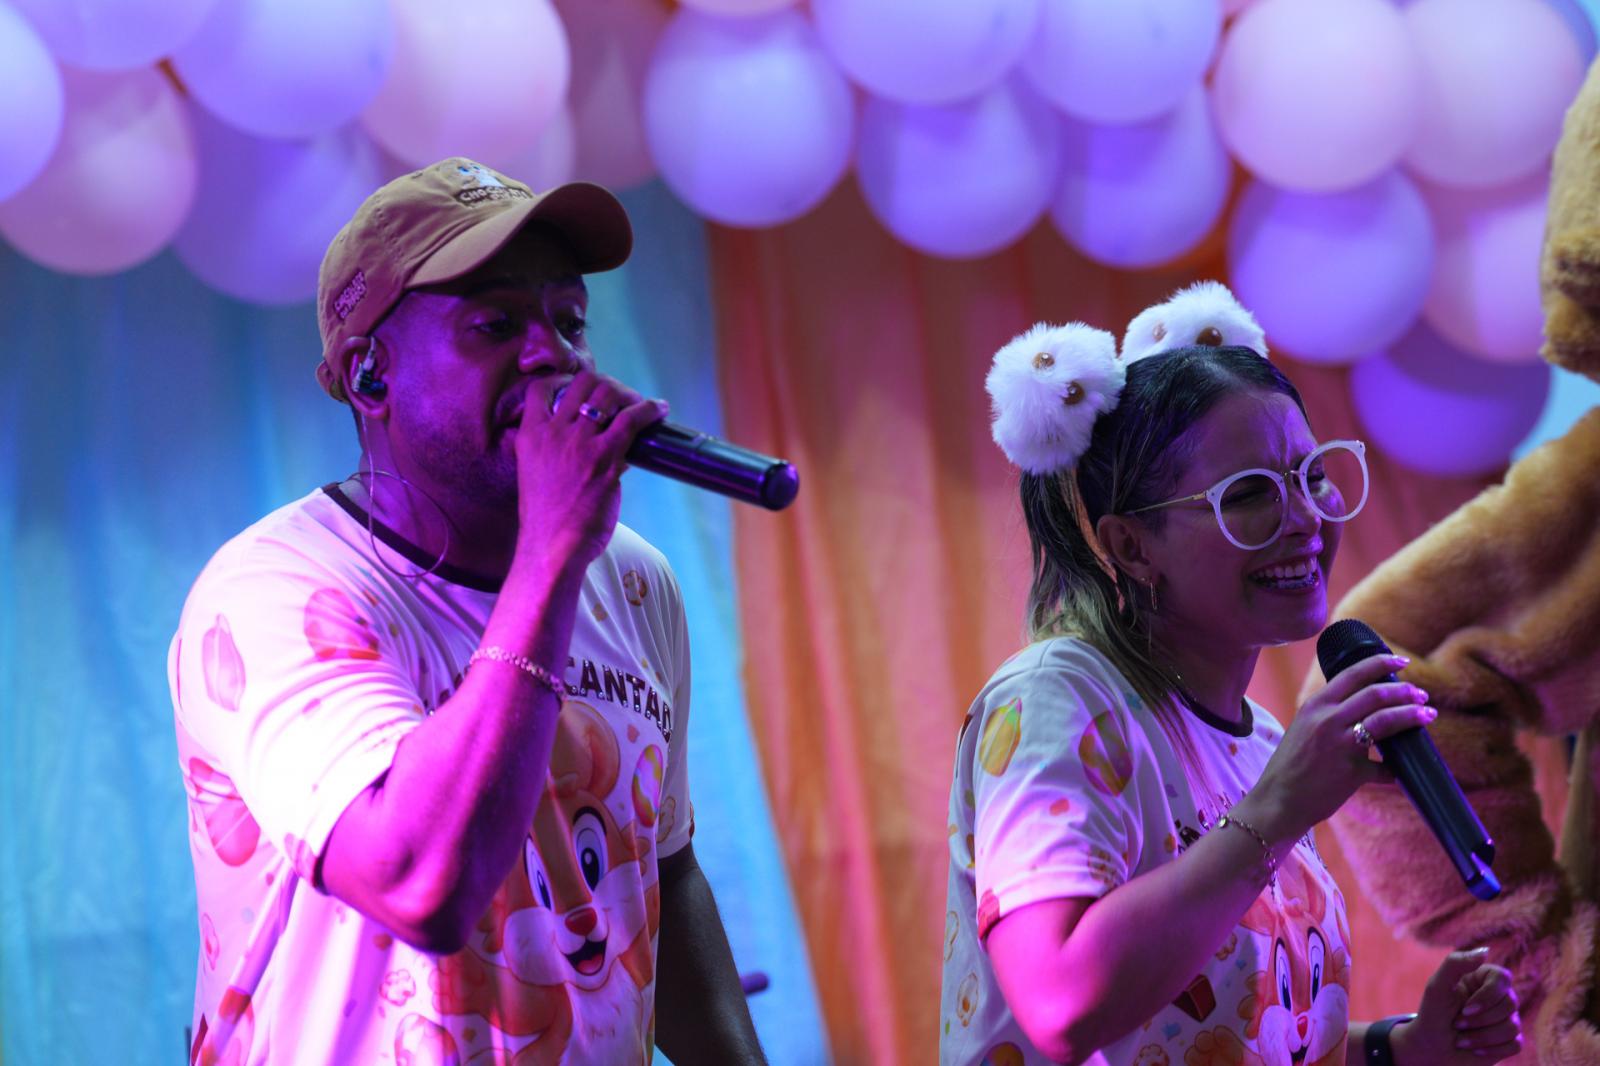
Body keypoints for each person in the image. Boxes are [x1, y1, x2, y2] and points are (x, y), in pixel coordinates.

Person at [169, 158, 765, 1065]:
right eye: (496, 324)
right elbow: (420, 885)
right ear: (371, 376)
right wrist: (551, 553)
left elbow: (662, 872)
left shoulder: (632, 580)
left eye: (569, 321)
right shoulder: (272, 590)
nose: (553, 356)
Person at [940, 288, 1524, 1066]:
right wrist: (1279, 808)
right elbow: (1060, 1003)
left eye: (1310, 475)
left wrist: (1404, 1047)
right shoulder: (1058, 696)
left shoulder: (1264, 746)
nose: (1307, 517)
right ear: (1132, 546)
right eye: (1248, 494)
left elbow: (1223, 1036)